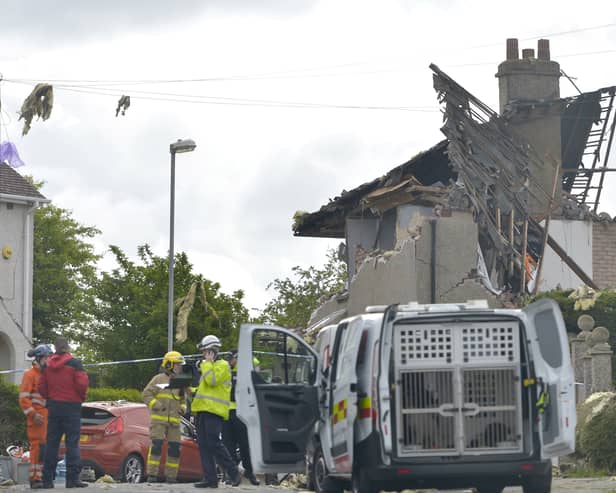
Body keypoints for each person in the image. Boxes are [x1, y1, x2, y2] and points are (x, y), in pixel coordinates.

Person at [192, 335, 241, 488]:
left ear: (212, 351)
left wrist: (207, 364)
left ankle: (233, 472)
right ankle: (210, 479)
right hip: (202, 410)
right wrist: (190, 391)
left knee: (214, 443)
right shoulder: (210, 366)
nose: (203, 354)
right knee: (204, 445)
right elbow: (204, 389)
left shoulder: (222, 365)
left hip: (214, 411)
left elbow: (211, 381)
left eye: (205, 351)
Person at [39, 337, 89, 489]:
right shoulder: (75, 363)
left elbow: (41, 386)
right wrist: (80, 397)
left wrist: (50, 397)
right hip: (71, 406)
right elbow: (82, 384)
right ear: (67, 348)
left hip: (54, 406)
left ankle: (47, 480)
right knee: (72, 443)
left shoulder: (46, 365)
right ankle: (72, 479)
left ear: (55, 348)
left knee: (52, 443)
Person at [142, 351, 187, 484]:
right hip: (159, 421)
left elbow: (183, 400)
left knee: (174, 449)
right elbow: (146, 395)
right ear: (169, 364)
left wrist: (183, 408)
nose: (180, 367)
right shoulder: (158, 379)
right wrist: (156, 405)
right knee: (156, 447)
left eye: (180, 365)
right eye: (177, 365)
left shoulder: (181, 381)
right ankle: (152, 475)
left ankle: (171, 477)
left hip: (174, 422)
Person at [222, 349, 259, 486]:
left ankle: (249, 471)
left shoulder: (246, 368)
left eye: (230, 358)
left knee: (245, 445)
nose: (228, 361)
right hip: (226, 413)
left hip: (242, 412)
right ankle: (231, 474)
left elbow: (255, 362)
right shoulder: (225, 370)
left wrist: (243, 357)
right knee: (228, 446)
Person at [19, 344, 53, 489]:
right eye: (47, 358)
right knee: (37, 448)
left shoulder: (46, 375)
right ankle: (34, 478)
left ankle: (42, 476)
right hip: (36, 418)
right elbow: (23, 399)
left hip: (46, 416)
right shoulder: (30, 375)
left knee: (44, 448)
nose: (49, 361)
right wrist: (33, 414)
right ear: (39, 358)